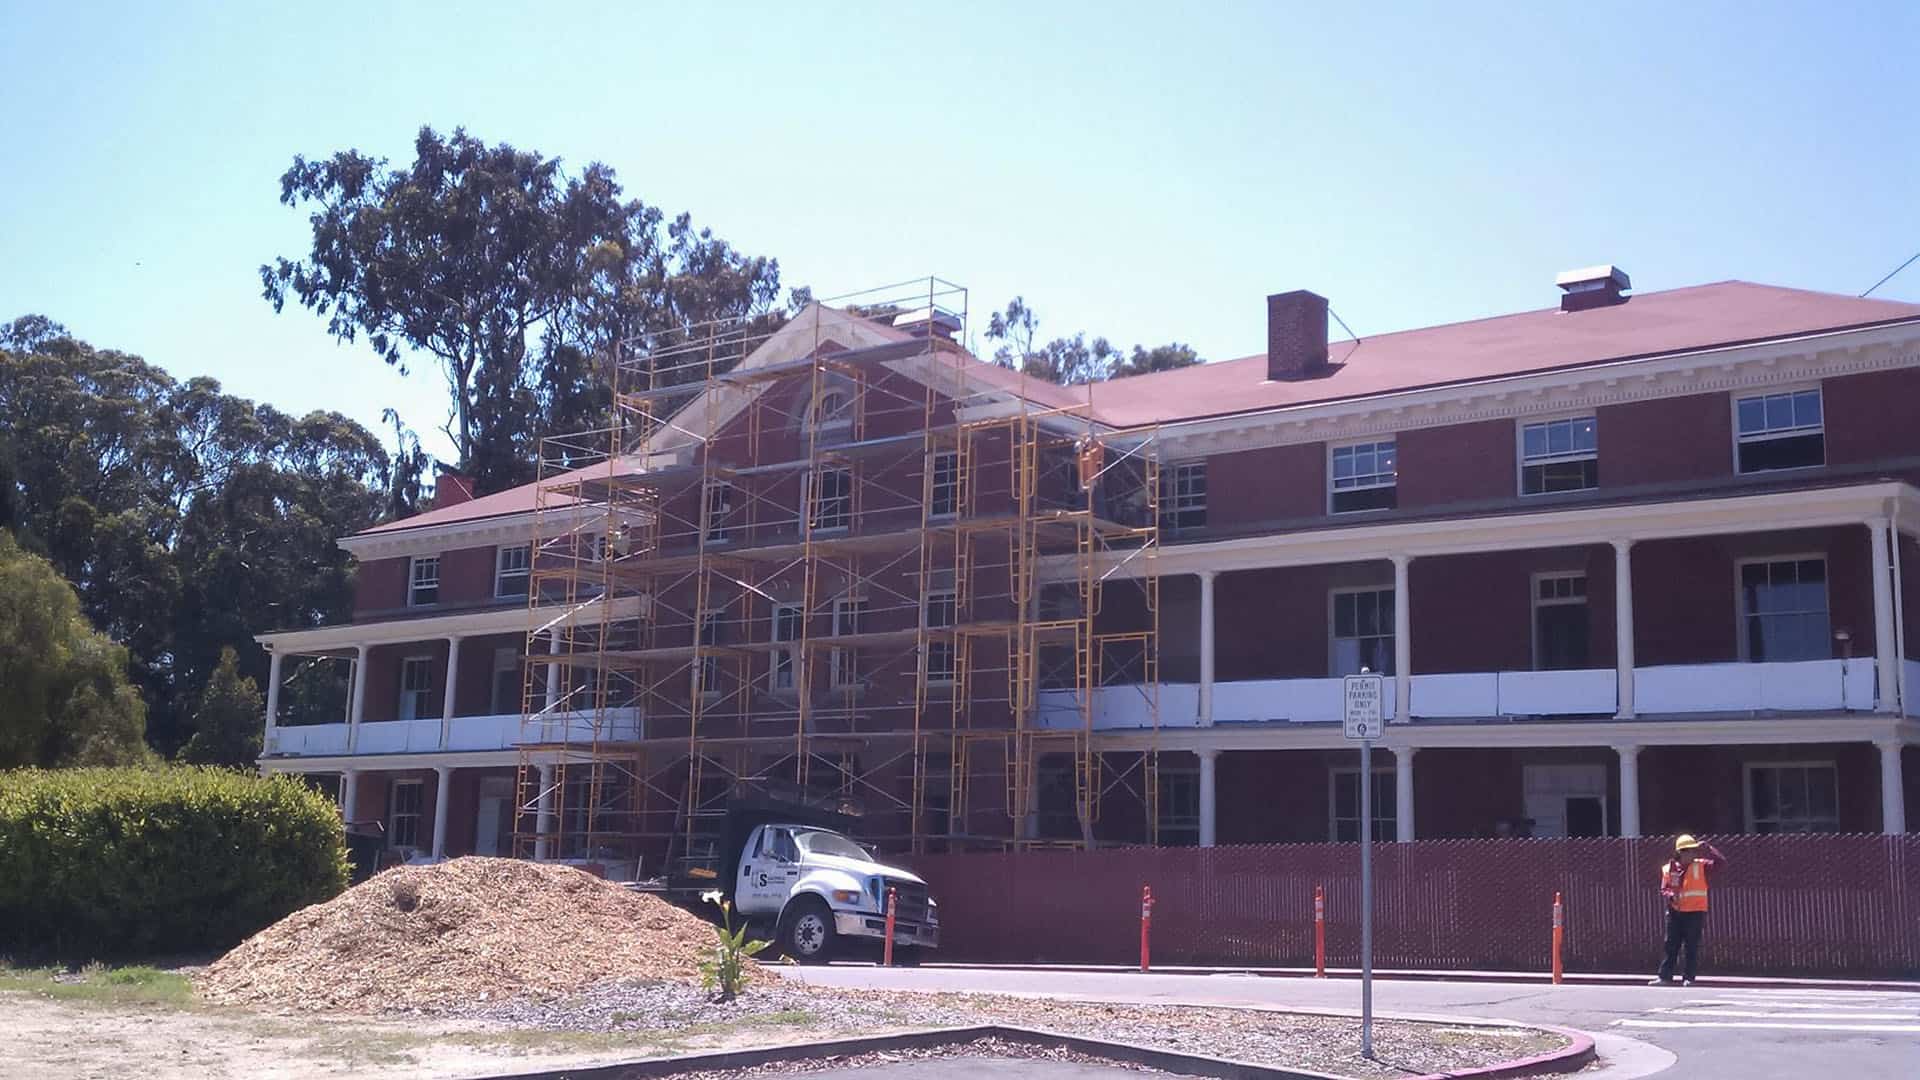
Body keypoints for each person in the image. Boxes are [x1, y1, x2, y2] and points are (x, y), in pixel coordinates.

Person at [1650, 834, 1729, 986]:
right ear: (1681, 852)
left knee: (1691, 946)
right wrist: (1671, 895)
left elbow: (1721, 864)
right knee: (1670, 945)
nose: (1693, 854)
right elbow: (1665, 889)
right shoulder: (1669, 869)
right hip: (1675, 912)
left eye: (1694, 850)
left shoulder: (1701, 865)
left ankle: (1689, 978)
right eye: (1689, 851)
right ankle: (1665, 976)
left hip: (1695, 912)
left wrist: (1709, 849)